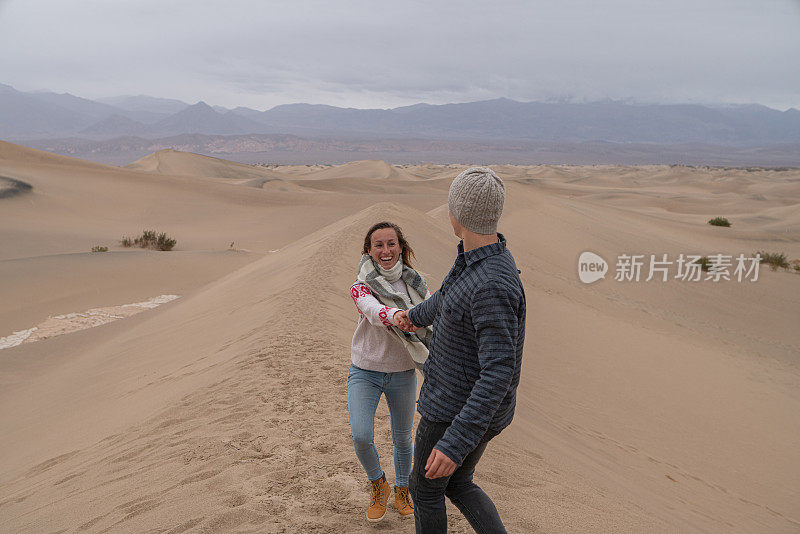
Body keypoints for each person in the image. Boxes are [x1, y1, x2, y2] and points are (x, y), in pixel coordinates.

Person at [395, 167, 526, 533]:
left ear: (458, 214)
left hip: (454, 411)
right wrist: (414, 316)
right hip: (466, 408)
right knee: (457, 483)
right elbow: (450, 295)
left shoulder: (491, 284)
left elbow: (499, 371)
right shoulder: (480, 258)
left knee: (425, 490)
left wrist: (454, 442)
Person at [347, 221, 433, 523]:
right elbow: (371, 310)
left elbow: (433, 313)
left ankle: (401, 490)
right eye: (379, 245)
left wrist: (420, 318)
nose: (385, 251)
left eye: (391, 244)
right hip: (365, 371)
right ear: (369, 250)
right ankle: (378, 484)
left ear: (401, 246)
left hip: (403, 371)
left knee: (403, 439)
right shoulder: (360, 285)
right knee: (360, 435)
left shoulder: (417, 283)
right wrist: (398, 315)